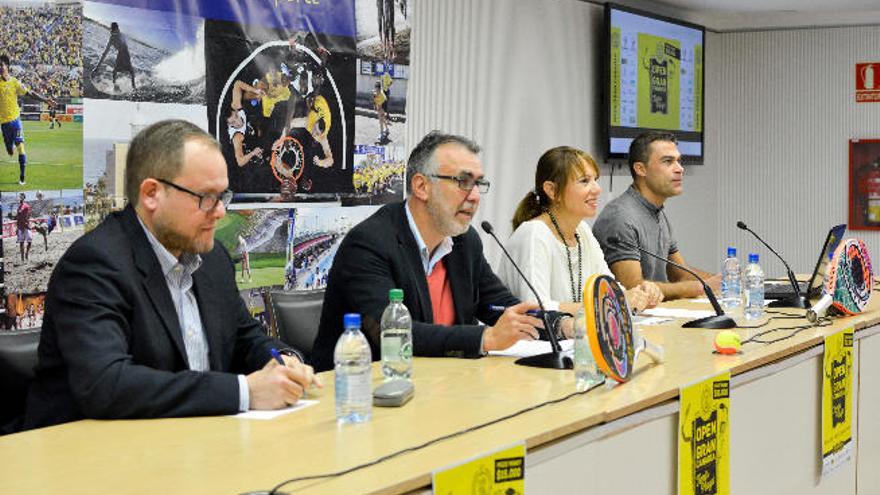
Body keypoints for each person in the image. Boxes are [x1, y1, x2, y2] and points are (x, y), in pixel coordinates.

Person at [22, 120, 320, 431]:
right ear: (152, 194)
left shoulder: (212, 257)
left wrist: (283, 360)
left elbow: (244, 337)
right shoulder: (94, 264)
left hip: (190, 443)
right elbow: (106, 383)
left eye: (223, 196)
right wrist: (244, 392)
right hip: (87, 459)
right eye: (206, 197)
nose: (220, 212)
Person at [311, 131, 552, 372]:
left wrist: (562, 325)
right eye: (463, 182)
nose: (476, 196)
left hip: (442, 382)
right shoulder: (369, 243)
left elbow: (498, 306)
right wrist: (486, 338)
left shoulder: (464, 241)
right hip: (362, 390)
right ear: (421, 186)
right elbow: (393, 332)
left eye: (478, 183)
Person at [499, 146, 663, 314]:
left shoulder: (582, 230)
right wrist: (612, 303)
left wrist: (640, 293)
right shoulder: (534, 234)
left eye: (595, 180)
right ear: (552, 190)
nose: (597, 189)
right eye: (584, 181)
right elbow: (535, 308)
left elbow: (609, 289)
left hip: (572, 337)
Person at [592, 132, 720, 300]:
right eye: (668, 161)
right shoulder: (620, 217)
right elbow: (634, 288)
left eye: (678, 161)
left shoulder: (657, 212)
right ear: (641, 169)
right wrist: (698, 287)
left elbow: (680, 274)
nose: (680, 169)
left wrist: (724, 282)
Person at [0, 55, 54, 186]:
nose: (0, 68)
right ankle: (9, 146)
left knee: (20, 147)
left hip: (16, 121)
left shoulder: (15, 82)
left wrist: (46, 100)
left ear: (7, 66)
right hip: (4, 123)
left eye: (1, 65)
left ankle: (22, 177)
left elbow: (30, 93)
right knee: (9, 150)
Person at [93, 22, 136, 91]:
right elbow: (105, 53)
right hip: (121, 54)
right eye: (113, 30)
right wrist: (97, 67)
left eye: (116, 30)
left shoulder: (121, 35)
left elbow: (124, 46)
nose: (115, 31)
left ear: (118, 29)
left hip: (125, 54)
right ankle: (115, 87)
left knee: (129, 71)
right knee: (115, 72)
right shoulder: (112, 39)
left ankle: (134, 87)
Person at [16, 192, 31, 262]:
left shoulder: (26, 206)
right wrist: (18, 226)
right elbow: (18, 217)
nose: (20, 198)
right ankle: (22, 258)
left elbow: (26, 216)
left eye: (21, 196)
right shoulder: (19, 207)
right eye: (19, 196)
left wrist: (26, 224)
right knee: (21, 243)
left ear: (24, 197)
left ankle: (26, 254)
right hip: (20, 226)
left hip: (26, 226)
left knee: (29, 242)